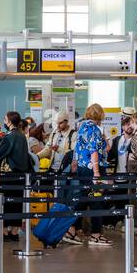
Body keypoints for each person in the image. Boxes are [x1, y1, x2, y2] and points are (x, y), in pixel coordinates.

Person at [61, 103, 110, 246]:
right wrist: (96, 173)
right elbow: (94, 151)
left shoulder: (82, 127)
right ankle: (95, 235)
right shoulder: (94, 129)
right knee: (97, 201)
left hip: (83, 169)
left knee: (83, 199)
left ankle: (71, 230)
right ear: (100, 115)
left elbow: (78, 148)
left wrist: (76, 163)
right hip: (93, 169)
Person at [0, 112, 31, 241]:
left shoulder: (9, 136)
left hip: (8, 174)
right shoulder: (22, 135)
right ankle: (14, 232)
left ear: (9, 121)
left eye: (5, 119)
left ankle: (4, 232)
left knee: (5, 203)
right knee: (17, 203)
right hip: (20, 174)